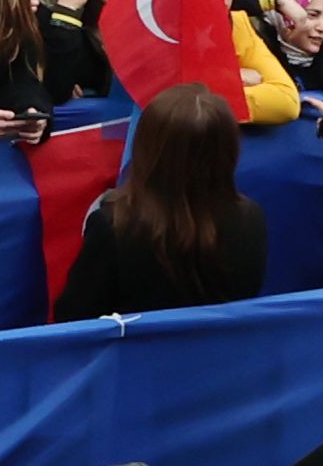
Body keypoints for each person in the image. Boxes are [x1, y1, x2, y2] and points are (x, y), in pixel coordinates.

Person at [53, 79, 266, 317]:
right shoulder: (251, 218)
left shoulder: (114, 226)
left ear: (148, 147)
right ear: (228, 150)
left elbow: (75, 317)